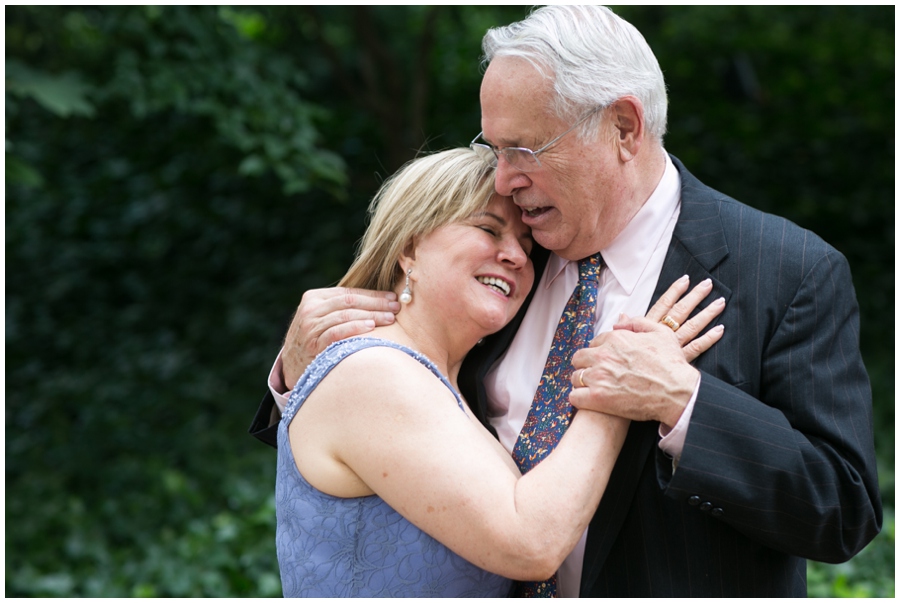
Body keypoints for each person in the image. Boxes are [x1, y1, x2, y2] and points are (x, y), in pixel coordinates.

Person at [253, 5, 882, 597]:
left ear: (623, 128)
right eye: (495, 150)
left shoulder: (786, 269)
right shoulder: (504, 261)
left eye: (525, 150)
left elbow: (843, 507)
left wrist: (683, 404)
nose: (504, 180)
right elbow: (376, 432)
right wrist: (298, 370)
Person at [272, 147, 724, 597]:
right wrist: (620, 380)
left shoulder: (445, 383)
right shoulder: (372, 373)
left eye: (526, 245)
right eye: (488, 229)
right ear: (409, 247)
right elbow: (532, 543)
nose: (516, 256)